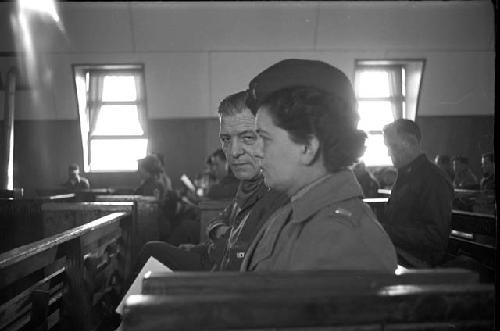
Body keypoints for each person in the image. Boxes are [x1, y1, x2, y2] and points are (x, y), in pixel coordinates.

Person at [241, 59, 397, 272]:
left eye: (265, 138)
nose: (256, 151)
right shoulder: (297, 211)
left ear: (308, 147)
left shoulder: (341, 242)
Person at [134, 90, 287, 272]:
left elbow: (239, 257)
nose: (234, 151)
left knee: (152, 250)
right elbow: (221, 220)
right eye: (226, 139)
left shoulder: (276, 188)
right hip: (213, 261)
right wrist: (204, 246)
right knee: (154, 250)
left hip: (217, 279)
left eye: (248, 137)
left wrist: (215, 242)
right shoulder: (247, 185)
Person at [382, 119, 454, 268]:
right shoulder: (408, 175)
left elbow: (435, 237)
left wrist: (385, 231)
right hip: (399, 251)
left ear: (411, 143)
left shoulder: (433, 178)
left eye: (393, 146)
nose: (389, 153)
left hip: (418, 260)